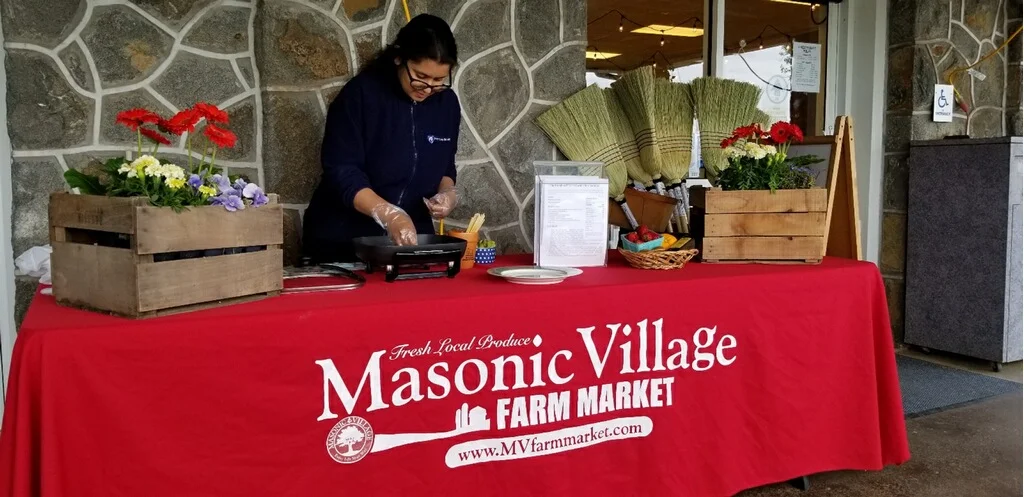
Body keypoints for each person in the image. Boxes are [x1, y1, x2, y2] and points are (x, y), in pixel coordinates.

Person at [302, 14, 461, 262]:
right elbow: (342, 170)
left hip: (409, 240)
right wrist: (388, 214)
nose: (428, 88)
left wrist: (447, 192)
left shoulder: (447, 105)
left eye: (439, 80)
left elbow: (445, 162)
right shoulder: (361, 94)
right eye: (420, 76)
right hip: (344, 240)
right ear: (399, 58)